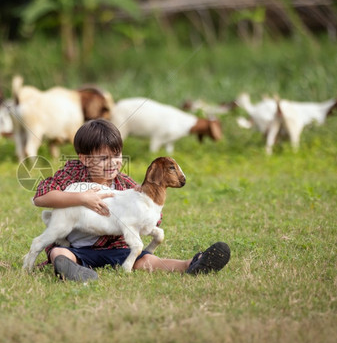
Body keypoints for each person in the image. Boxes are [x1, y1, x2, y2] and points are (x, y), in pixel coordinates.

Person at [32, 119, 230, 281]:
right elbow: (41, 197)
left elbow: (148, 219)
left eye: (116, 155)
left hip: (116, 248)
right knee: (60, 253)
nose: (113, 163)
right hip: (77, 248)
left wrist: (146, 211)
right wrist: (82, 197)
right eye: (103, 159)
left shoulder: (127, 185)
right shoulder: (72, 174)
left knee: (145, 261)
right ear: (84, 159)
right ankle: (75, 272)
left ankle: (190, 264)